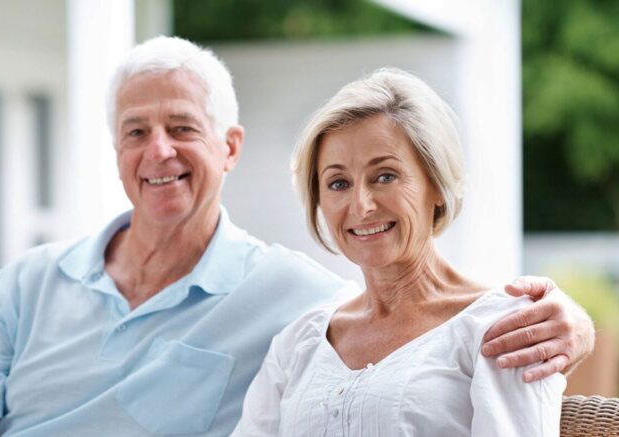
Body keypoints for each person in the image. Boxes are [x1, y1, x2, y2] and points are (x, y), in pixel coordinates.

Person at [0, 37, 593, 437]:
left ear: (230, 146)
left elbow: (431, 313)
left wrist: (574, 326)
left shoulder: (287, 294)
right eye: (135, 132)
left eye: (182, 127)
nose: (158, 153)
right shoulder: (25, 283)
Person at [233, 69, 570, 436]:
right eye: (338, 183)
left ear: (437, 185)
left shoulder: (501, 327)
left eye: (385, 176)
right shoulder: (299, 342)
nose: (361, 206)